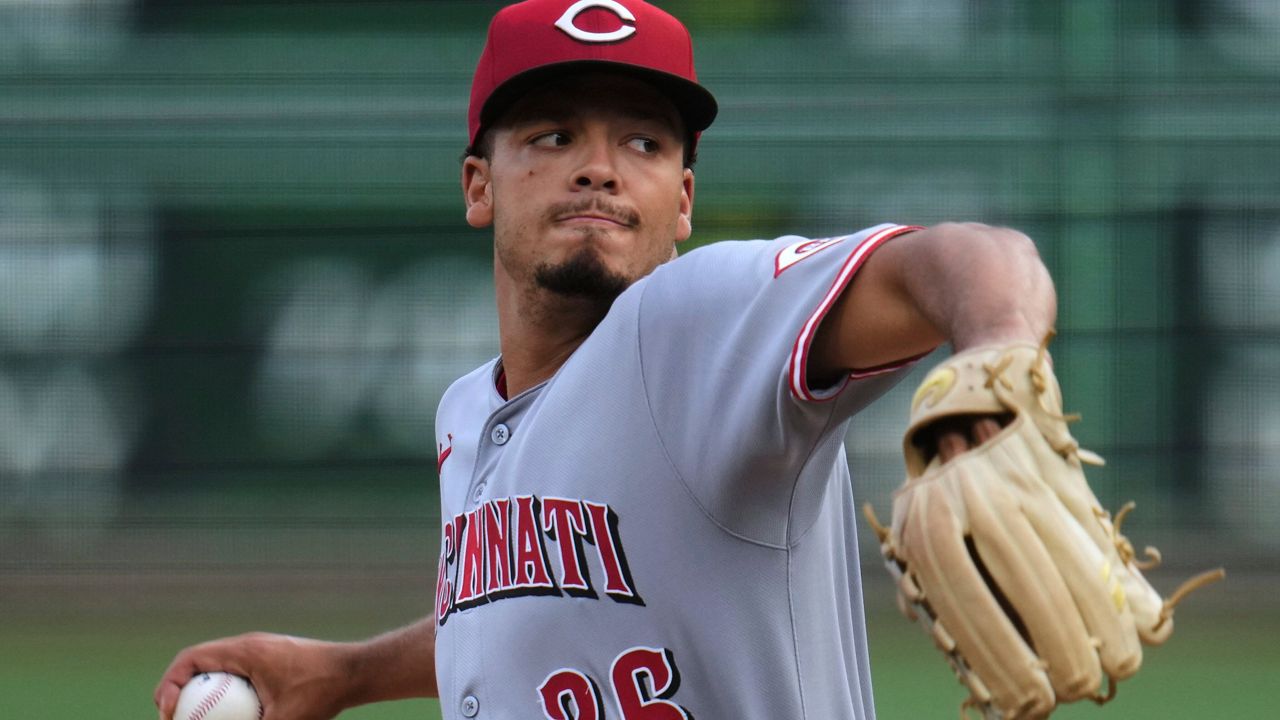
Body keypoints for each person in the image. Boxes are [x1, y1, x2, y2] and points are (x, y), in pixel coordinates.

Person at [155, 1, 1056, 718]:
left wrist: (1001, 343)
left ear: (684, 200)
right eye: (554, 136)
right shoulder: (467, 413)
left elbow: (962, 255)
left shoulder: (697, 325)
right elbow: (536, 614)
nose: (601, 169)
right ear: (479, 184)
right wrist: (345, 674)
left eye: (644, 143)